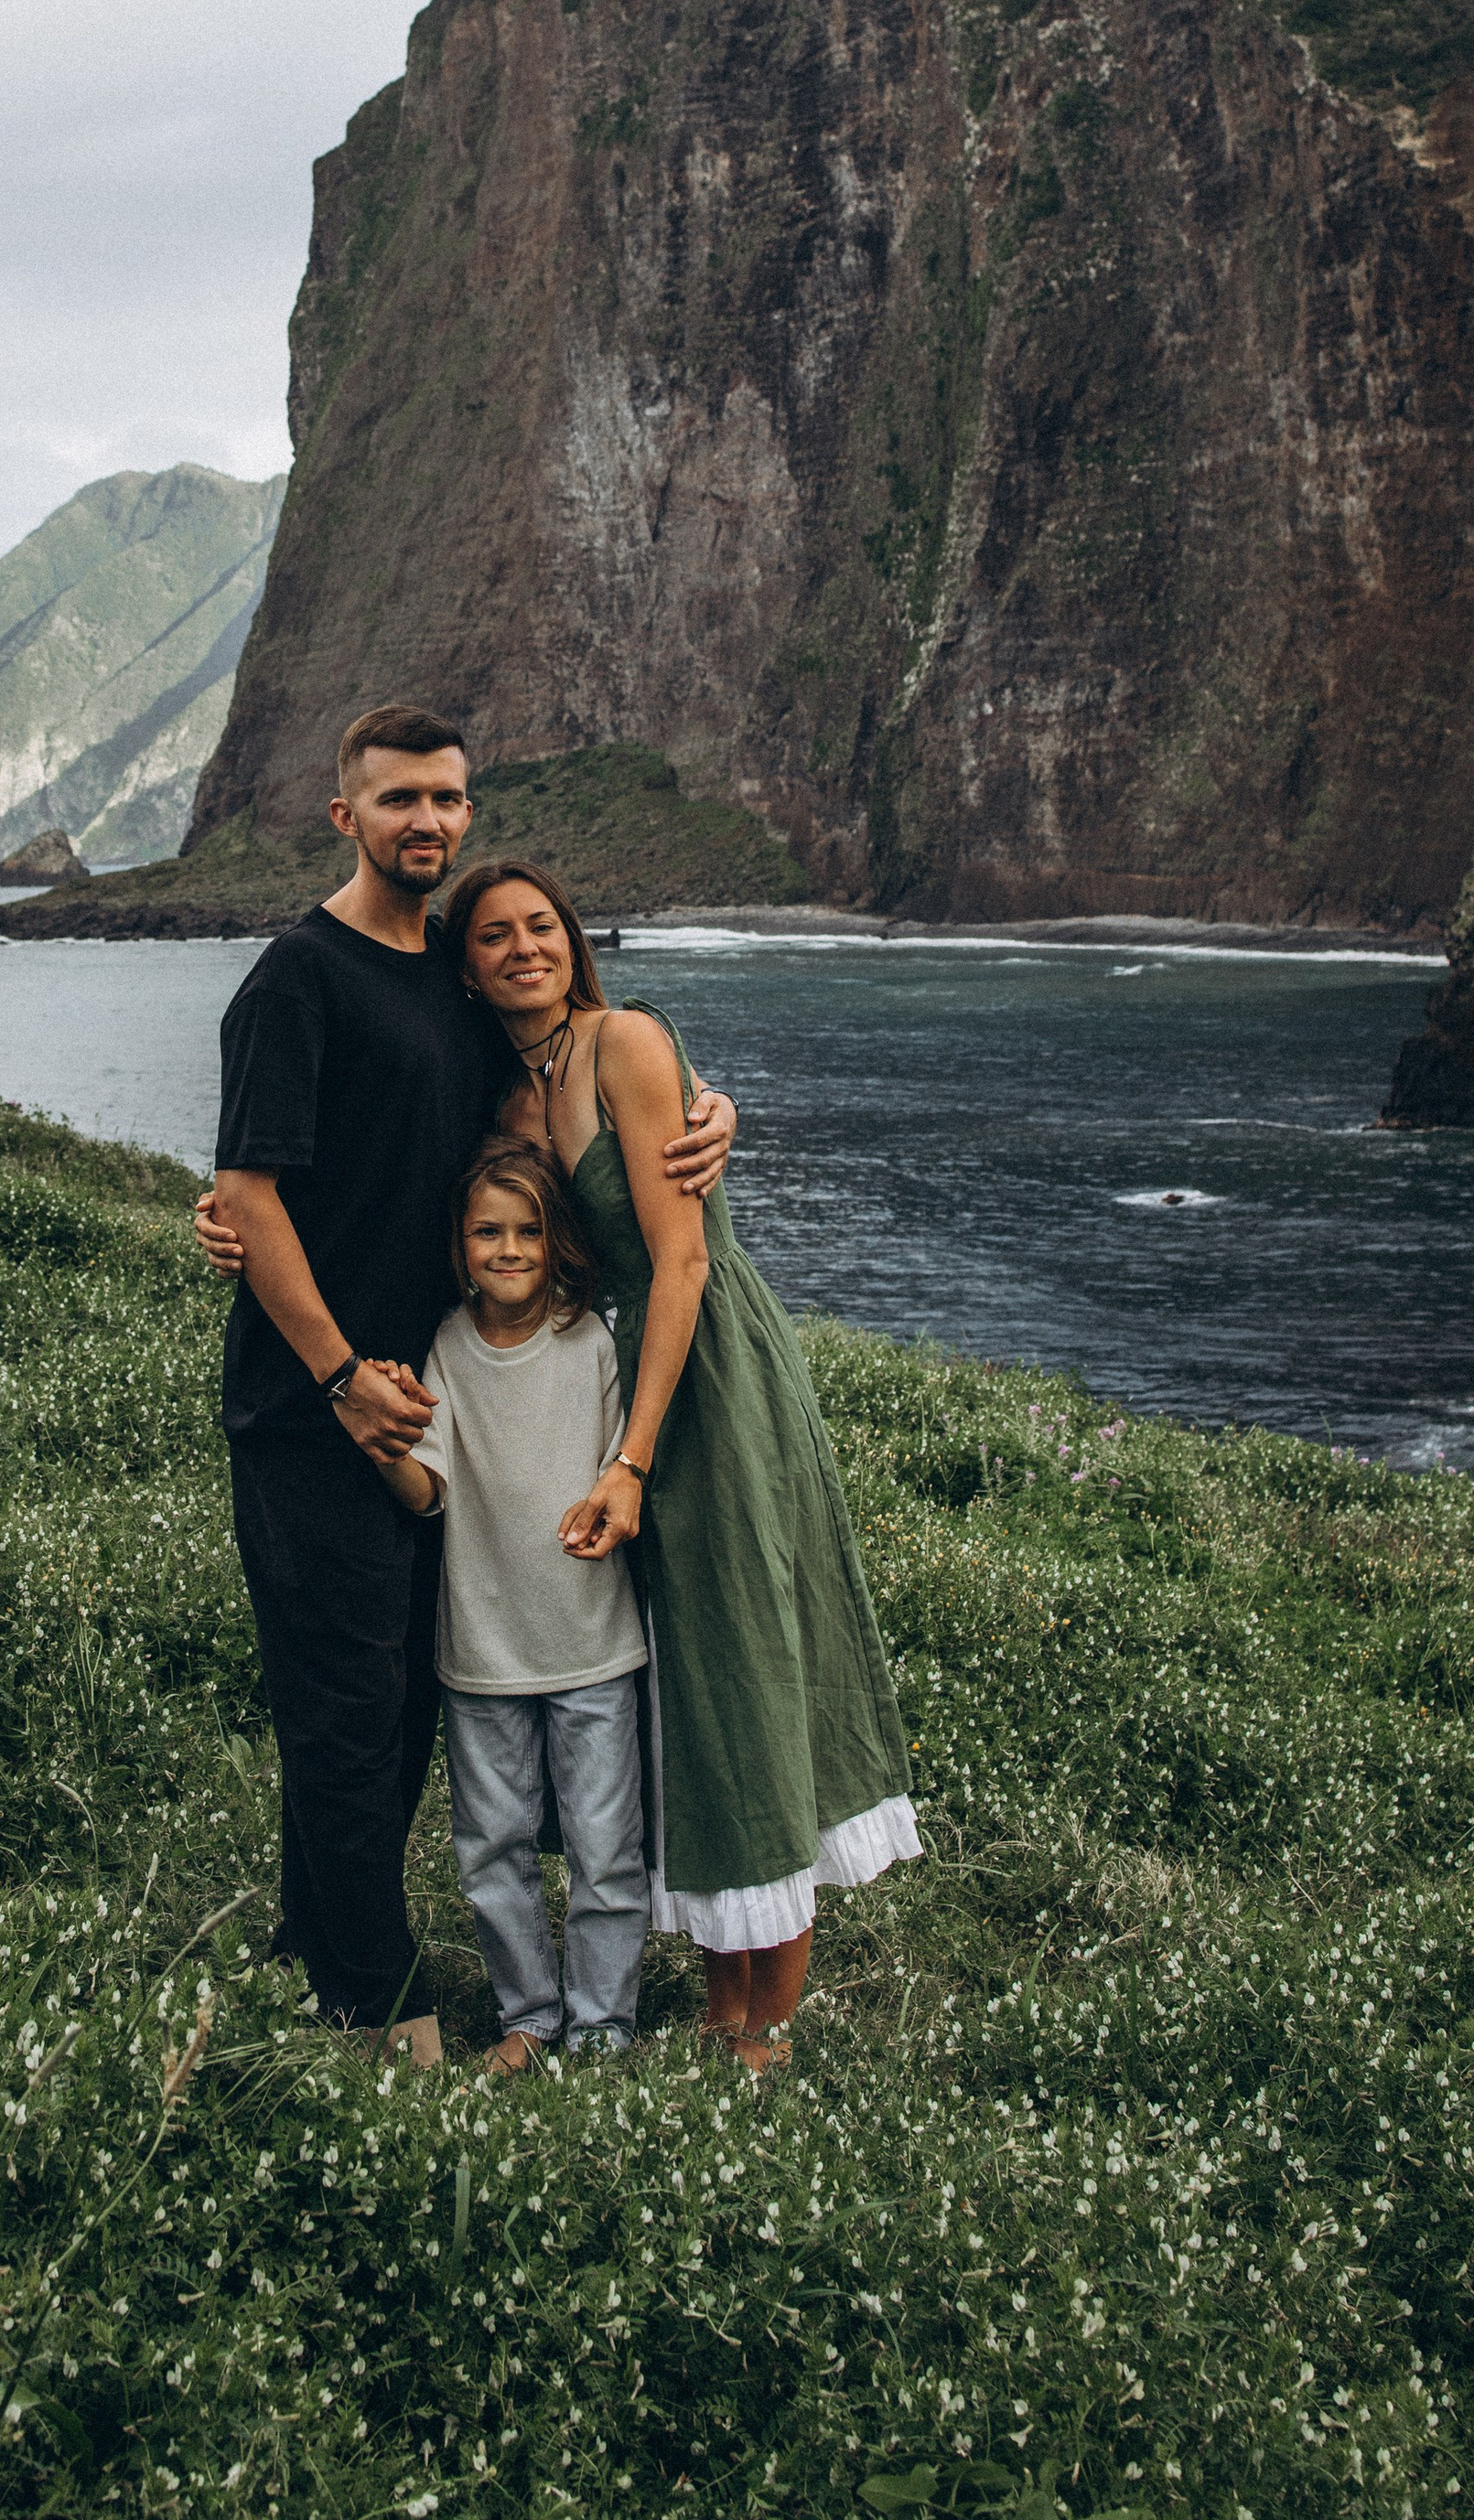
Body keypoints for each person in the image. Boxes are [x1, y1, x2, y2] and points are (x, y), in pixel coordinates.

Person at [203, 706, 735, 2060]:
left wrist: (713, 1109)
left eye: (446, 800)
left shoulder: (446, 973)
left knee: (395, 1715)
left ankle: (312, 1946)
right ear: (347, 818)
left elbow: (579, 1057)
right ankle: (382, 2013)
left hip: (439, 1403)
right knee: (346, 1709)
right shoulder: (295, 982)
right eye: (398, 803)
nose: (425, 822)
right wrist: (335, 1378)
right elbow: (249, 1195)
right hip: (311, 1415)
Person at [440, 856, 920, 2074]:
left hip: (710, 1378)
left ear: (573, 938)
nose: (523, 949)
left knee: (752, 1661)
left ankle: (765, 2026)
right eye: (494, 935)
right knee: (688, 1689)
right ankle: (719, 2000)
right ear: (466, 964)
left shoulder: (628, 1045)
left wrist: (634, 1461)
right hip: (631, 1386)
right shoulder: (504, 1107)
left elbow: (687, 1263)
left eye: (541, 925)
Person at [371, 1135, 649, 2071]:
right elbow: (430, 1489)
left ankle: (604, 2025)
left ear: (555, 1238)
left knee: (607, 1849)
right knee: (493, 1848)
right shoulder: (447, 1344)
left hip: (594, 1647)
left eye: (529, 1230)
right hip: (483, 1651)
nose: (509, 1248)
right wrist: (382, 1448)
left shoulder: (591, 1341)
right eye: (487, 1231)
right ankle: (528, 2019)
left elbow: (622, 1472)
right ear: (461, 1243)